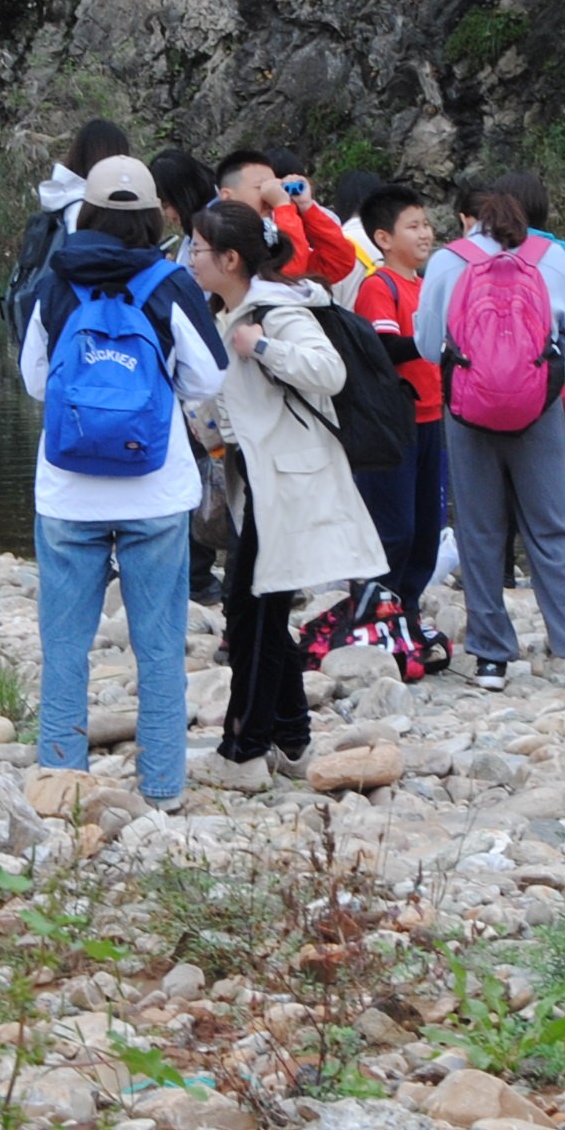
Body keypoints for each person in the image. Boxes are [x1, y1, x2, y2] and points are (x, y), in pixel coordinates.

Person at [16, 156, 229, 804]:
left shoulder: (56, 282)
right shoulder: (170, 282)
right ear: (152, 215)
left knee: (66, 646)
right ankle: (161, 789)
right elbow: (209, 380)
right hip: (155, 490)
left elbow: (33, 380)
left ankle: (59, 782)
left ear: (87, 213)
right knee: (159, 648)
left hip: (67, 489)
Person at [187, 197, 386, 775]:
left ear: (229, 258)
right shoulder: (225, 311)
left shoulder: (273, 311)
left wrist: (262, 348)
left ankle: (243, 752)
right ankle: (293, 742)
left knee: (250, 615)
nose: (191, 259)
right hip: (260, 483)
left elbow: (330, 372)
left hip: (289, 485)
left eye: (198, 250)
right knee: (259, 613)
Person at [417, 175, 565, 692]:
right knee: (552, 528)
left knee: (481, 530)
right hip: (537, 408)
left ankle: (490, 658)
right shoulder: (550, 256)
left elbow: (427, 341)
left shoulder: (448, 260)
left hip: (466, 410)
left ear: (473, 216)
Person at [347, 187, 447, 604]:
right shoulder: (379, 285)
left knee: (428, 527)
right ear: (384, 238)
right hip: (393, 425)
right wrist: (435, 341)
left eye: (426, 224)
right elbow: (384, 350)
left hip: (433, 418)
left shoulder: (425, 286)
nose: (425, 234)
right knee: (395, 527)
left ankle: (405, 613)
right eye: (413, 226)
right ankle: (374, 608)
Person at [5, 119, 131, 331]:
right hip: (73, 321)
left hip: (52, 313)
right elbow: (86, 270)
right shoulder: (82, 208)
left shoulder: (63, 201)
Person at [216, 147, 359, 291]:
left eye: (274, 186)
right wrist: (282, 206)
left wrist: (306, 207)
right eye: (260, 187)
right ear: (227, 196)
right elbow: (289, 275)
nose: (268, 194)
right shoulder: (223, 243)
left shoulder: (270, 233)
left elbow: (338, 262)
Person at [148, 148, 217, 259]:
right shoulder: (196, 229)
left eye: (165, 205)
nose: (166, 215)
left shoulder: (217, 230)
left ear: (183, 196)